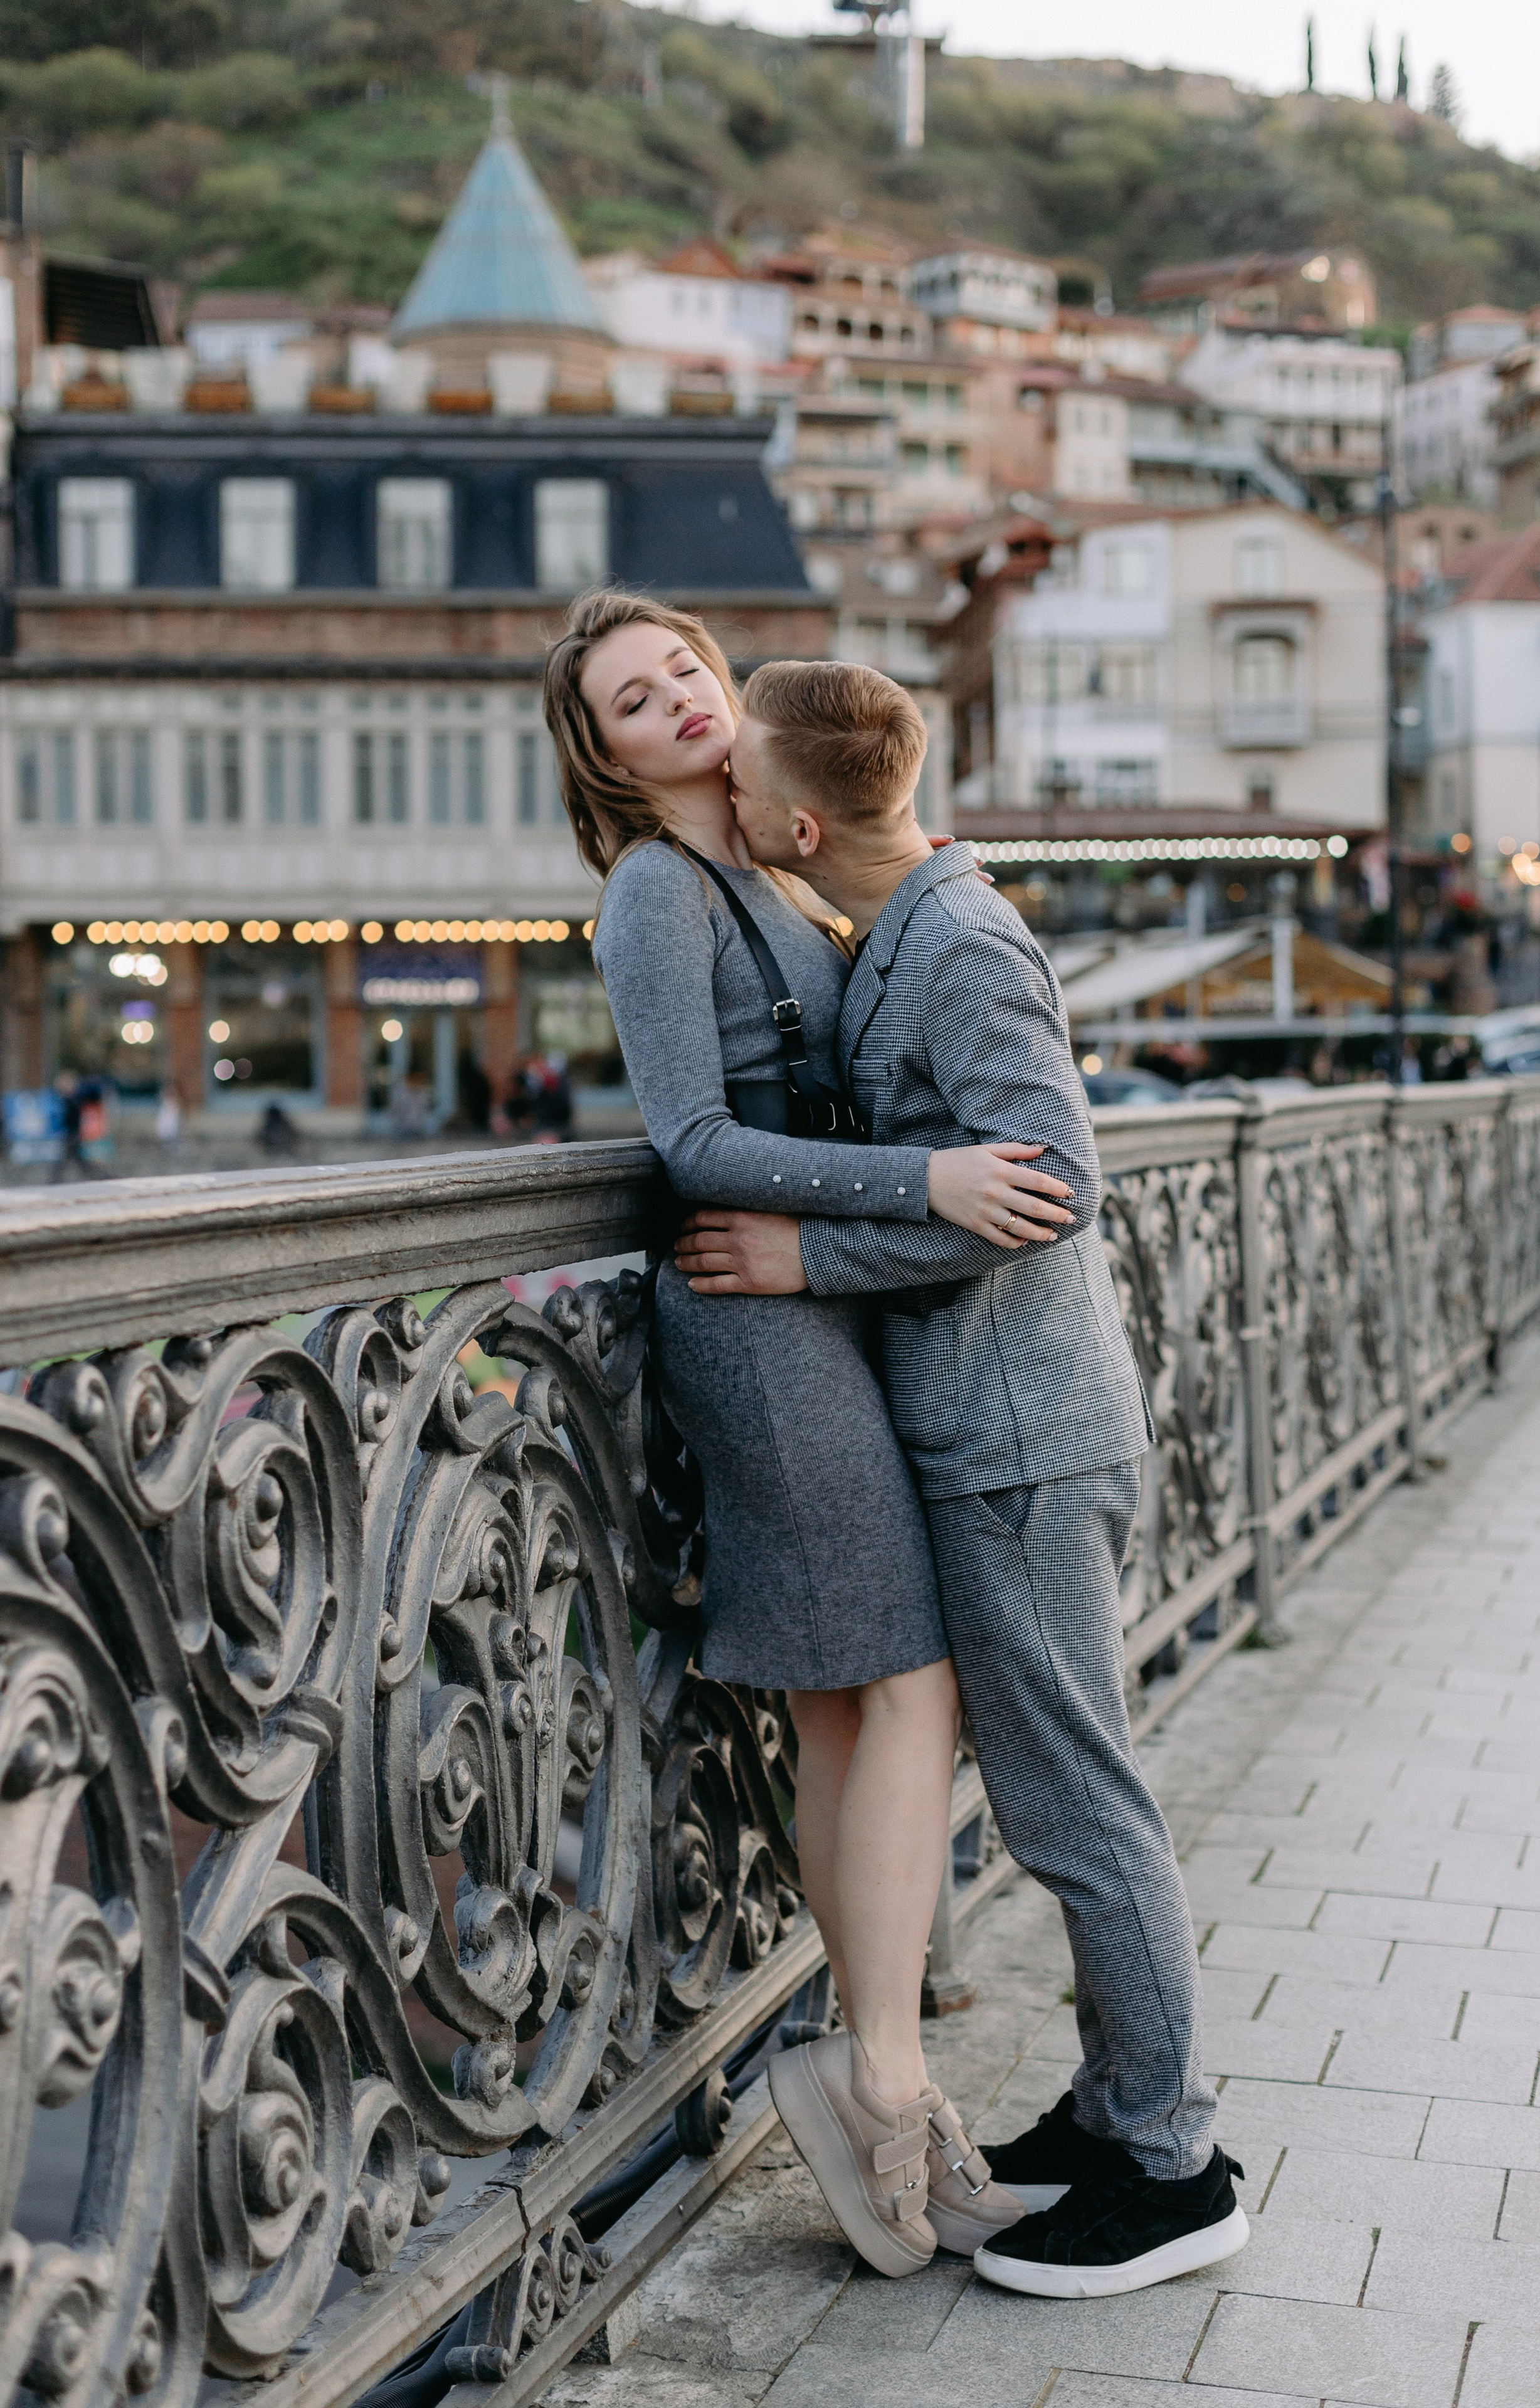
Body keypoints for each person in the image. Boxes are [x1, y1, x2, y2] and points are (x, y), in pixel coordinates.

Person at [675, 659, 1248, 2300]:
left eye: (740, 791)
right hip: (999, 1435)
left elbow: (1049, 1182)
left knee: (1079, 1808)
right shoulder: (914, 925)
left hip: (1024, 1445)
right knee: (1070, 1795)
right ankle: (1119, 2105)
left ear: (794, 819)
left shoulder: (966, 943)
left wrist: (806, 1254)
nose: (724, 804)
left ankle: (1174, 2163)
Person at [542, 591, 1070, 2279]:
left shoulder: (770, 864)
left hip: (816, 1304)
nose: (682, 701)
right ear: (606, 756)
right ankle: (892, 2080)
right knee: (908, 1678)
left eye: (687, 669)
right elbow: (693, 1137)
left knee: (858, 1697)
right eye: (637, 699)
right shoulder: (653, 889)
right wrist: (924, 1182)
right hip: (754, 1328)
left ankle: (869, 2070)